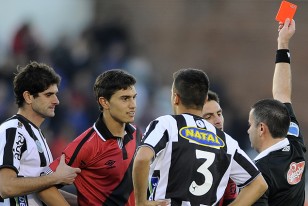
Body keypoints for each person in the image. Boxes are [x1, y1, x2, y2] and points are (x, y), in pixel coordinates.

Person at [133, 68, 268, 206]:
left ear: (176, 98)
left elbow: (142, 158)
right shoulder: (226, 141)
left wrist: (141, 202)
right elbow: (259, 184)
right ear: (204, 100)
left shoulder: (166, 124)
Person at [44, 69, 142, 205]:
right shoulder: (86, 145)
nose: (133, 105)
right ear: (104, 102)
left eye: (134, 97)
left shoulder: (138, 133)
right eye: (125, 98)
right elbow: (44, 186)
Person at [0, 61, 81, 206]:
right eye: (48, 95)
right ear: (28, 97)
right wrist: (56, 178)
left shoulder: (36, 134)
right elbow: (6, 186)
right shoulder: (13, 130)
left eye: (56, 94)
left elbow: (39, 188)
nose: (56, 101)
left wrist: (86, 202)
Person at [249, 18, 306, 206]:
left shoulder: (258, 171)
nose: (248, 131)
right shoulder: (293, 142)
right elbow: (282, 94)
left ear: (262, 128)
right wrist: (283, 43)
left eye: (251, 125)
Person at [202, 90, 238, 206]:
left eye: (219, 114)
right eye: (208, 117)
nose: (218, 121)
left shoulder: (229, 154)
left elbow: (258, 184)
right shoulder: (176, 152)